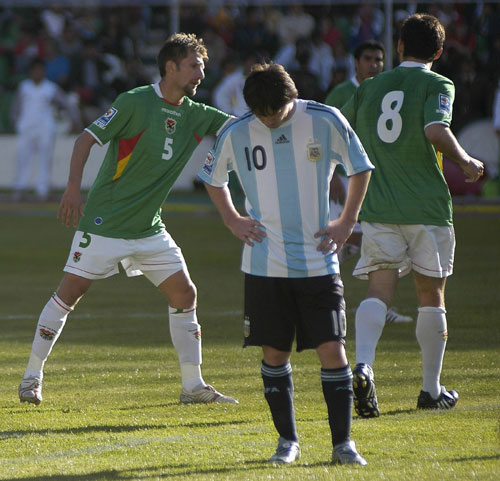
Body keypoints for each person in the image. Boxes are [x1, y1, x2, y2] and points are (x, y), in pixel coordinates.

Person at [18, 33, 238, 406]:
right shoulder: (135, 102)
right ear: (171, 67)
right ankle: (30, 378)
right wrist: (73, 189)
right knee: (68, 295)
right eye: (194, 66)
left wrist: (290, 110)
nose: (201, 73)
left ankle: (193, 386)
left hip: (149, 228)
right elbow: (84, 140)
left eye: (202, 66)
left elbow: (240, 127)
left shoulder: (196, 113)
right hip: (105, 223)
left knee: (185, 294)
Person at [199, 63, 373, 465]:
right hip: (264, 264)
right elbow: (211, 177)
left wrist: (346, 221)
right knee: (275, 355)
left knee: (333, 351)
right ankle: (287, 442)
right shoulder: (237, 129)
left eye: (274, 113)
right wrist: (231, 218)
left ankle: (343, 444)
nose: (268, 120)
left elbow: (360, 167)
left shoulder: (324, 119)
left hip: (319, 263)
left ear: (291, 99)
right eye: (261, 114)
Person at [341, 14, 484, 418]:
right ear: (438, 52)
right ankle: (430, 390)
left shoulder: (371, 87)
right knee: (430, 295)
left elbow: (345, 132)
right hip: (425, 208)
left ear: (400, 46)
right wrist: (467, 160)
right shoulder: (438, 83)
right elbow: (435, 129)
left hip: (381, 206)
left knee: (378, 291)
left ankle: (364, 365)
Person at [325, 41, 412, 324]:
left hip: (376, 178)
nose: (374, 64)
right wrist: (329, 176)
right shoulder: (341, 93)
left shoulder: (388, 91)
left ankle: (380, 305)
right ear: (355, 62)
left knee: (379, 241)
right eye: (368, 59)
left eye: (378, 59)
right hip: (343, 178)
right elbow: (323, 135)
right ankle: (326, 299)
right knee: (340, 240)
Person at [11, 58, 81, 202]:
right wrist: (16, 123)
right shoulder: (24, 87)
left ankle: (42, 189)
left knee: (45, 158)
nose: (38, 72)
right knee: (23, 158)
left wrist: (76, 121)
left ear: (44, 71)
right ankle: (20, 187)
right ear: (31, 71)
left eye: (40, 70)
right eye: (35, 70)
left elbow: (67, 103)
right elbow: (16, 107)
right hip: (26, 127)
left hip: (45, 128)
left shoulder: (50, 88)